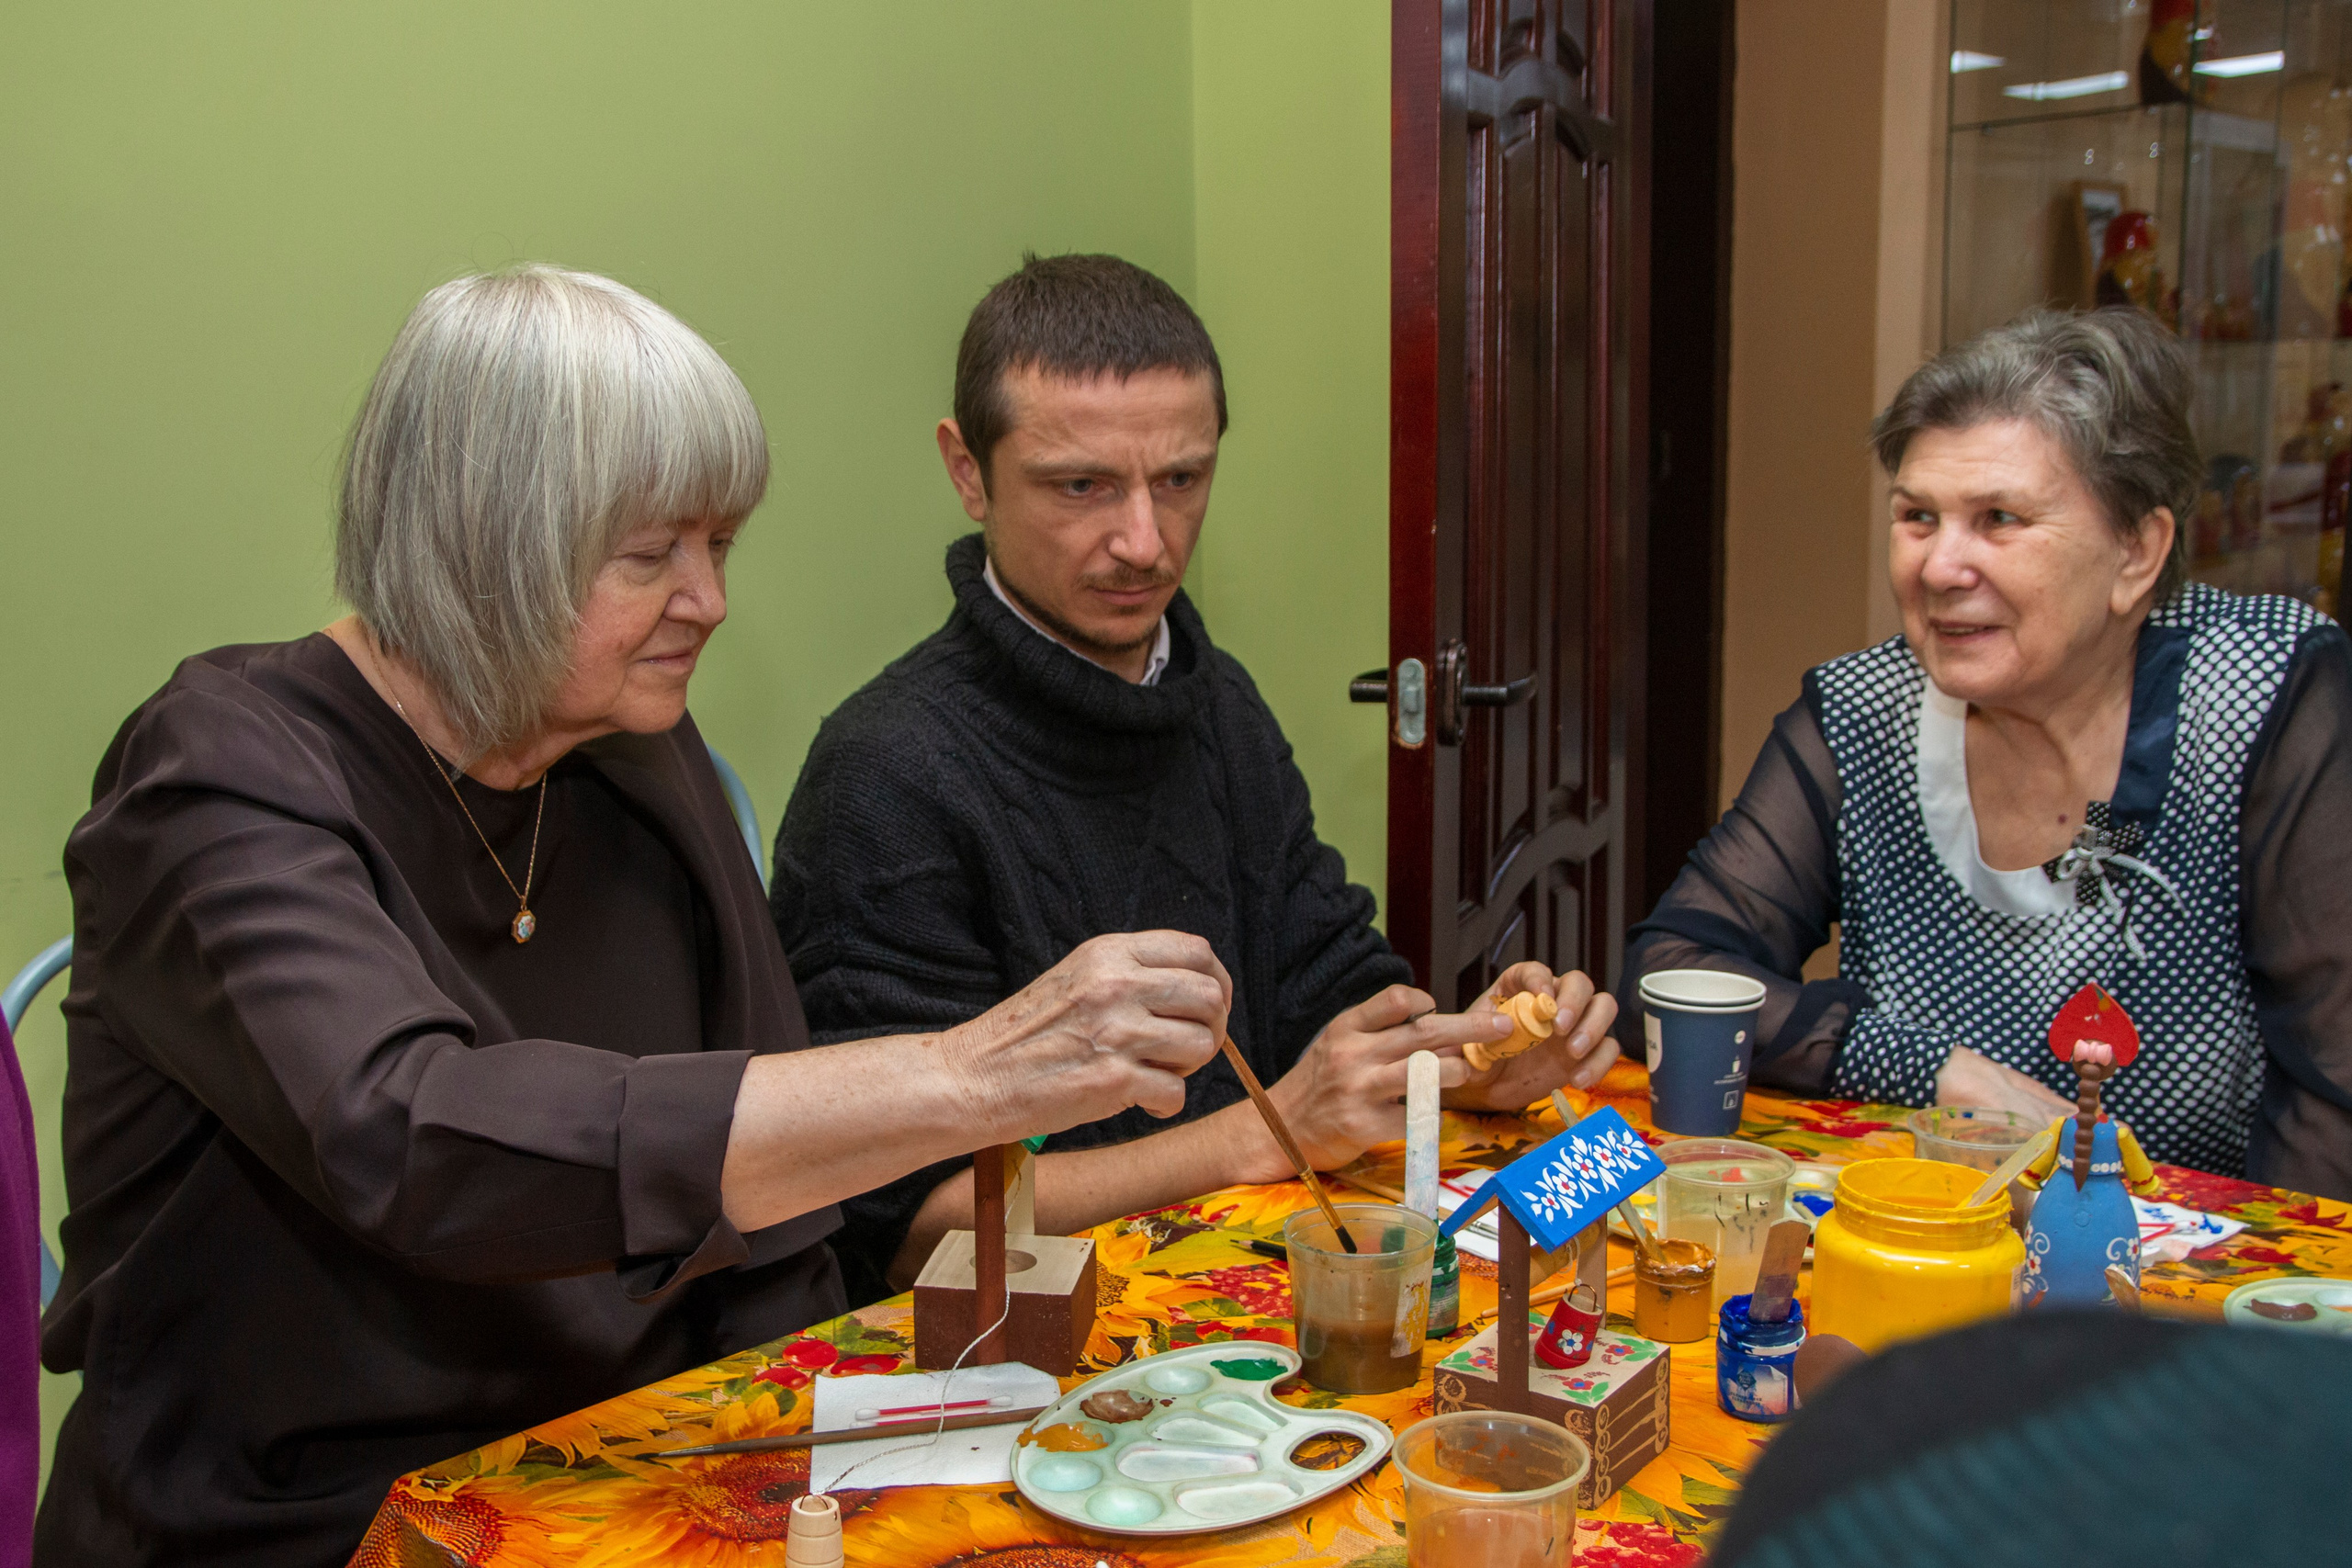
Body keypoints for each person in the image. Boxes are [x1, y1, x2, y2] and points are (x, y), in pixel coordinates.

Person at [37, 265, 1230, 1568]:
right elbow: (415, 1137)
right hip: (298, 1514)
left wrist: (820, 1461)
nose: (710, 600)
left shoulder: (632, 746)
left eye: (719, 545)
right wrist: (964, 1071)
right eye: (651, 554)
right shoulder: (219, 774)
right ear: (482, 544)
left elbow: (771, 1217)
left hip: (635, 1460)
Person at [770, 254, 1620, 1303]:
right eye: (1080, 486)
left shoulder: (1218, 704)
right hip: (1023, 1360)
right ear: (967, 470)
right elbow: (906, 1230)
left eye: (1180, 479)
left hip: (1247, 1307)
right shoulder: (883, 771)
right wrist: (1256, 1136)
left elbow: (1333, 993)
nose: (1144, 542)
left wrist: (1472, 1065)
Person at [1627, 308, 2352, 1199]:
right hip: (1930, 1255)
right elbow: (1671, 972)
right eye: (1917, 516)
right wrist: (1935, 1070)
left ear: (2137, 551)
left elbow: (2334, 1083)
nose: (1938, 566)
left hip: (2181, 1288)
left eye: (1998, 518)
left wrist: (2255, 1310)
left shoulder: (2259, 694)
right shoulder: (1863, 714)